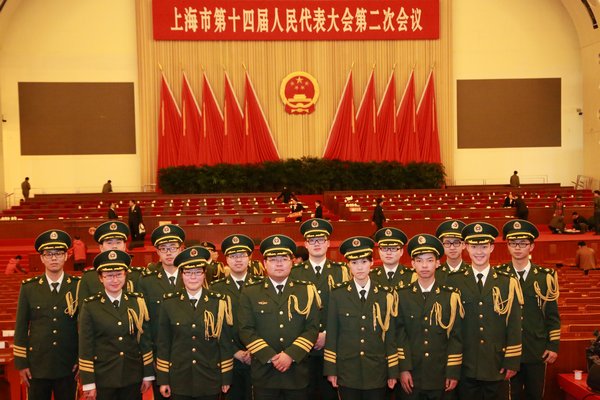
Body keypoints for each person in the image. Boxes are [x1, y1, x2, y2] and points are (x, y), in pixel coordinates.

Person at [237, 234, 320, 400]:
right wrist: (270, 356)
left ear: (292, 262)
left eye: (284, 259)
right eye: (273, 259)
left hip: (296, 372)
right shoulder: (250, 291)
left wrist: (290, 355)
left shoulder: (306, 290)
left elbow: (312, 328)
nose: (279, 263)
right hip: (264, 373)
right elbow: (246, 329)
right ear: (264, 263)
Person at [446, 222, 523, 400]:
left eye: (483, 246)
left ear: (492, 248)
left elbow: (514, 324)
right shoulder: (453, 281)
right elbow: (451, 327)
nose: (479, 252)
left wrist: (512, 360)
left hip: (496, 363)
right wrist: (451, 365)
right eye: (474, 246)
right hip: (465, 364)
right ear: (466, 247)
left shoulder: (507, 282)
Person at [323, 236, 398, 399]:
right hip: (347, 371)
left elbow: (390, 335)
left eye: (364, 262)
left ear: (371, 263)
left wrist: (392, 370)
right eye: (354, 262)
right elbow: (333, 334)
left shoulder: (385, 295)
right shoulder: (338, 294)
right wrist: (331, 369)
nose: (359, 267)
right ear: (348, 265)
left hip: (377, 371)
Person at [157, 246, 234, 399]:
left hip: (210, 377)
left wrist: (226, 376)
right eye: (188, 272)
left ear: (204, 274)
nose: (193, 277)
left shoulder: (219, 302)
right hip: (179, 377)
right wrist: (163, 379)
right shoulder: (169, 302)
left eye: (198, 272)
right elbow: (164, 343)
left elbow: (225, 342)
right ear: (181, 274)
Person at [497, 220, 560, 400]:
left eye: (523, 243)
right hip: (507, 350)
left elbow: (552, 316)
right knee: (510, 395)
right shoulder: (498, 276)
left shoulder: (545, 277)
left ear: (531, 246)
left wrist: (553, 346)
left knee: (535, 394)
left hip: (536, 349)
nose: (518, 248)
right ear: (508, 246)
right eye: (513, 243)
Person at [78, 250, 154, 400]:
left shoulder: (137, 302)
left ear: (125, 275)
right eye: (109, 275)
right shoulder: (91, 306)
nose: (114, 280)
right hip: (103, 378)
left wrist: (148, 374)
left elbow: (144, 341)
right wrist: (88, 383)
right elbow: (86, 345)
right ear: (101, 278)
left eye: (119, 274)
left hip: (132, 376)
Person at [14, 230, 79, 400]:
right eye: (49, 254)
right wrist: (21, 363)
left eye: (58, 253)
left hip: (68, 364)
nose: (54, 258)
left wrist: (82, 359)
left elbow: (85, 327)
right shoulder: (29, 288)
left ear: (66, 256)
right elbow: (21, 327)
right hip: (37, 365)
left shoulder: (77, 286)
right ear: (42, 258)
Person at [396, 234, 463, 400]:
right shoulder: (402, 295)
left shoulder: (450, 296)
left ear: (438, 263)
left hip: (440, 374)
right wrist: (403, 369)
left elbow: (456, 337)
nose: (424, 265)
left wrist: (452, 371)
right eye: (419, 260)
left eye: (430, 260)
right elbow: (399, 335)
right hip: (412, 375)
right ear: (412, 264)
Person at [291, 218, 350, 400]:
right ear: (306, 245)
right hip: (303, 350)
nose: (316, 244)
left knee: (329, 395)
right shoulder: (295, 272)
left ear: (328, 243)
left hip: (331, 347)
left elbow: (346, 309)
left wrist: (327, 335)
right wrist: (309, 337)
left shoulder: (341, 271)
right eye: (312, 240)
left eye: (320, 240)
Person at [137, 224, 185, 400]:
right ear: (157, 251)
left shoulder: (193, 276)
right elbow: (144, 325)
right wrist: (149, 362)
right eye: (163, 248)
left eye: (173, 247)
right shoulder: (147, 281)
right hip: (160, 357)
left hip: (189, 355)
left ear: (181, 249)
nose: (168, 253)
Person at [210, 234, 261, 400]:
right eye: (233, 256)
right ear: (226, 259)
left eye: (242, 255)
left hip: (260, 357)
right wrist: (236, 352)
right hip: (228, 358)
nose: (238, 260)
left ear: (250, 257)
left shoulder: (262, 285)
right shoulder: (215, 290)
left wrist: (255, 349)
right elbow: (214, 327)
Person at [77, 221, 143, 307]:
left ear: (124, 246)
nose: (114, 246)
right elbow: (83, 311)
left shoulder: (138, 276)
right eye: (109, 243)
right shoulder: (89, 278)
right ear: (101, 247)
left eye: (118, 242)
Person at [435, 220, 469, 284]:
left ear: (463, 245)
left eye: (456, 243)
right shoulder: (435, 273)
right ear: (442, 246)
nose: (452, 248)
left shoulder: (472, 272)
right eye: (447, 243)